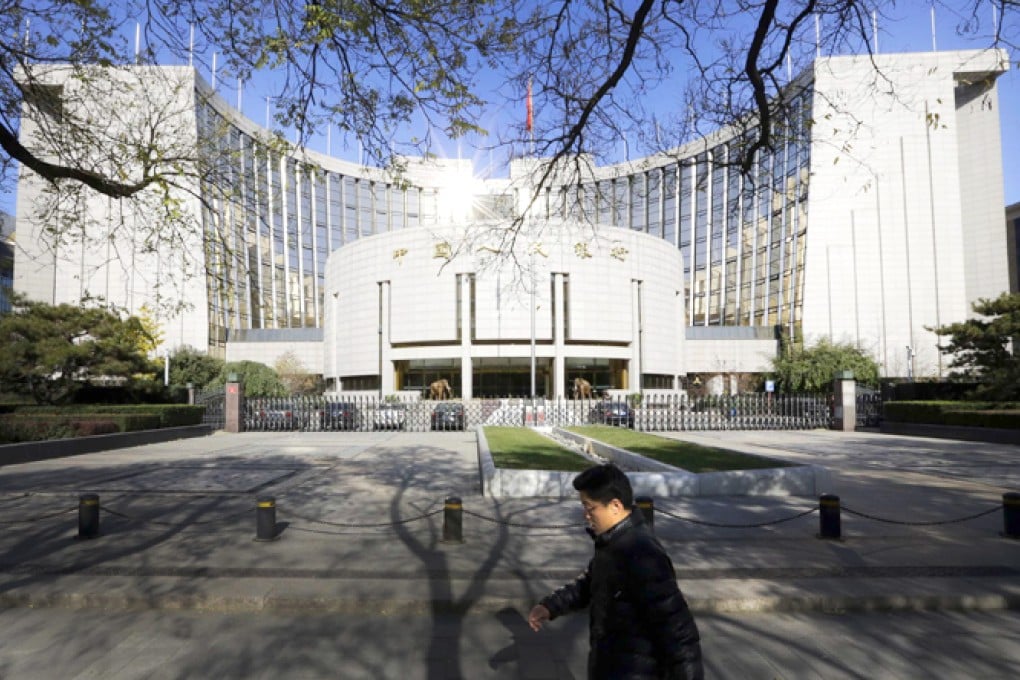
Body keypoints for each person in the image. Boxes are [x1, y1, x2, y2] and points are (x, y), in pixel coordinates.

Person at [528, 464, 703, 679]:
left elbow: (679, 635)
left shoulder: (642, 555)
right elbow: (591, 584)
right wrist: (550, 606)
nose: (586, 516)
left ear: (615, 506)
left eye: (590, 508)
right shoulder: (612, 543)